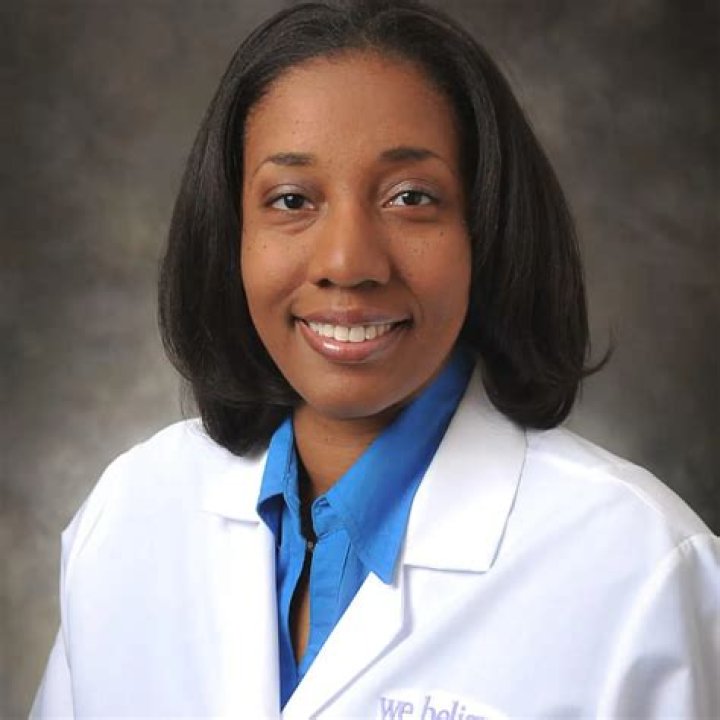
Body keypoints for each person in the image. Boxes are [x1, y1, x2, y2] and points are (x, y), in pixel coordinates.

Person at [31, 1, 718, 717]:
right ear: (230, 233)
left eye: (410, 197)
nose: (347, 262)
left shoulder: (640, 570)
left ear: (486, 229)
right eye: (291, 200)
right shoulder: (130, 513)